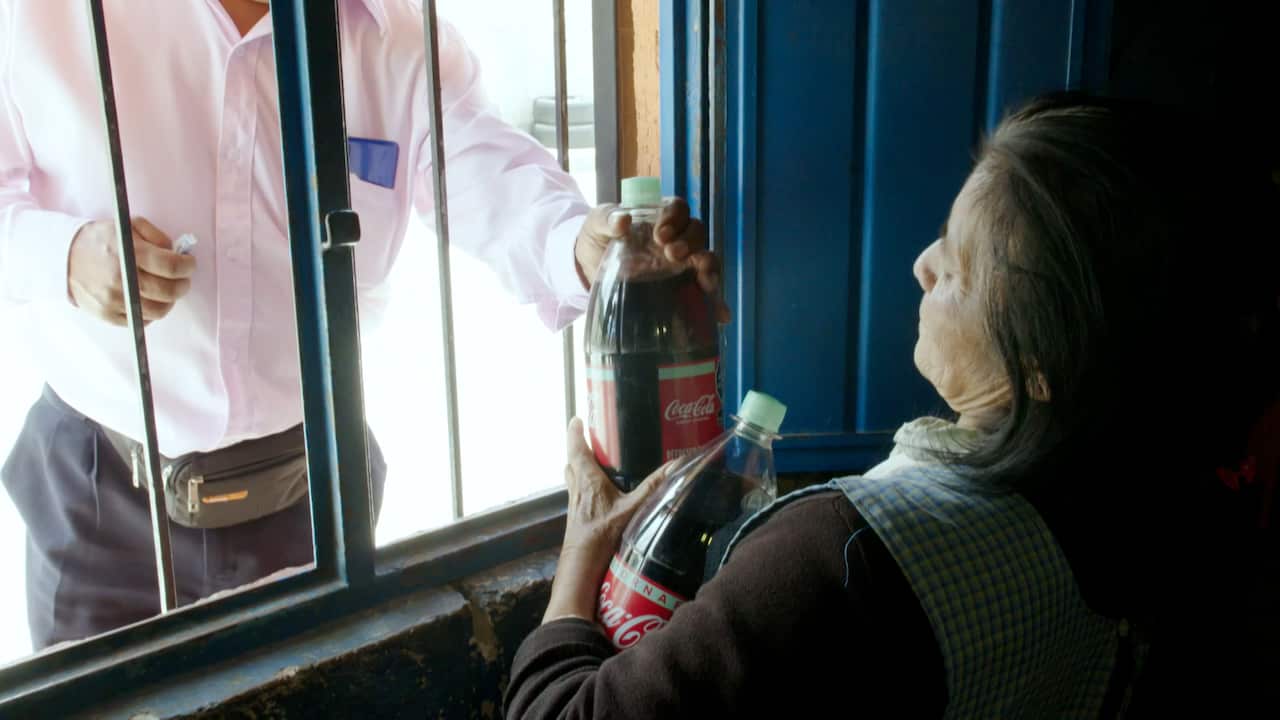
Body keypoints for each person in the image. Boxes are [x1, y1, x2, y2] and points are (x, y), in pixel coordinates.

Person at [504, 93, 1279, 717]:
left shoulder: (842, 562)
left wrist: (583, 547)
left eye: (962, 262)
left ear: (1045, 362)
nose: (920, 265)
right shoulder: (1156, 510)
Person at [0, 0, 719, 649]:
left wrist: (583, 244)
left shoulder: (392, 33)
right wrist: (62, 256)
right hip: (102, 497)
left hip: (312, 498)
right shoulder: (47, 17)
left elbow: (486, 172)